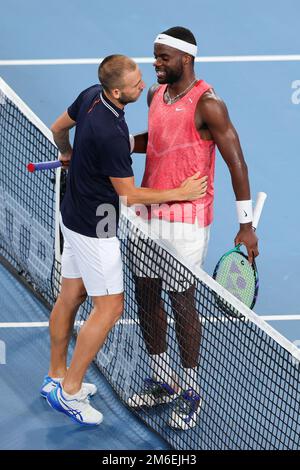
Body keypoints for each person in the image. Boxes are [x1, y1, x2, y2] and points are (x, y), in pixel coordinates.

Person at [41, 54, 208, 426]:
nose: (142, 86)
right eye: (135, 85)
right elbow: (130, 195)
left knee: (71, 295)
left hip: (72, 213)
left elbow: (57, 127)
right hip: (95, 228)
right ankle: (69, 392)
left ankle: (54, 376)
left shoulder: (89, 95)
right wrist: (180, 191)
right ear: (118, 91)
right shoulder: (113, 135)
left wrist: (67, 152)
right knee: (110, 308)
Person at [127, 27, 259, 430]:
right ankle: (161, 378)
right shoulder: (154, 94)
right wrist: (113, 145)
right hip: (147, 214)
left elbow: (237, 162)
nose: (155, 63)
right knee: (146, 296)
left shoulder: (210, 104)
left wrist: (246, 225)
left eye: (163, 57)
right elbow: (158, 139)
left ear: (185, 59)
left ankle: (191, 388)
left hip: (186, 222)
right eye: (154, 55)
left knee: (183, 304)